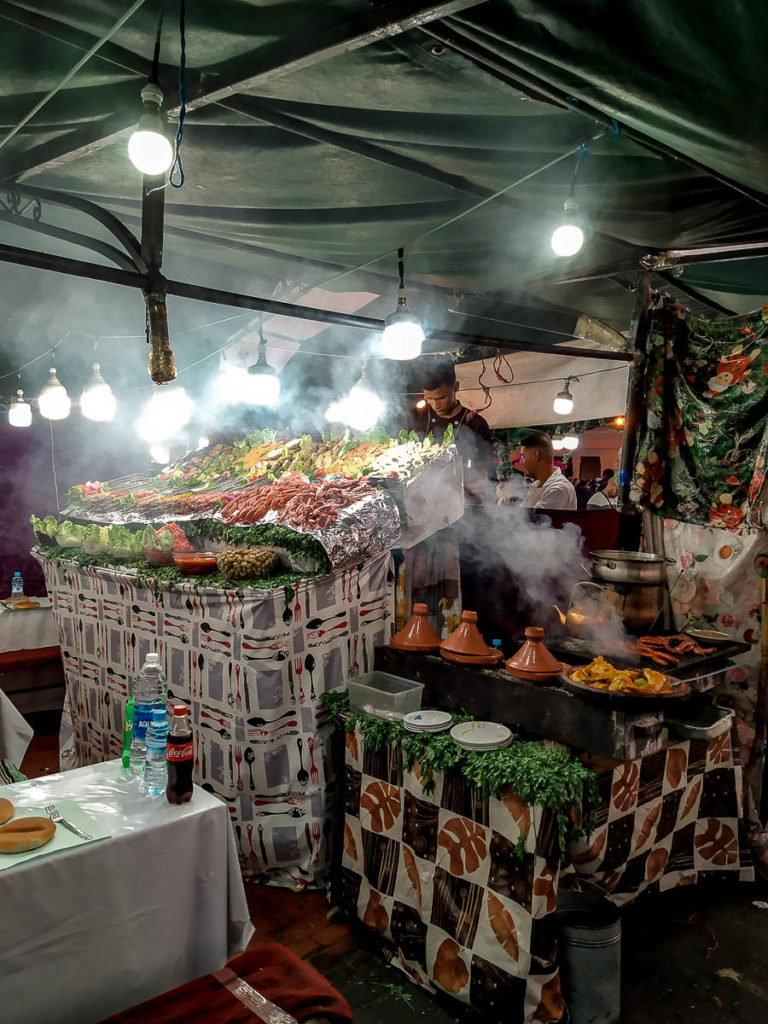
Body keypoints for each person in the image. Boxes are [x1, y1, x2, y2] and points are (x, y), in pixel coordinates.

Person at [414, 357, 495, 502]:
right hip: (419, 501)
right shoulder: (417, 417)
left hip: (460, 503)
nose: (435, 405)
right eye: (429, 399)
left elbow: (485, 472)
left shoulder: (475, 423)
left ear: (456, 387)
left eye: (441, 398)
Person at [519, 432, 577, 510]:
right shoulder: (536, 484)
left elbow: (533, 519)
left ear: (536, 456)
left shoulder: (559, 488)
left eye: (523, 456)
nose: (521, 462)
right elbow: (521, 513)